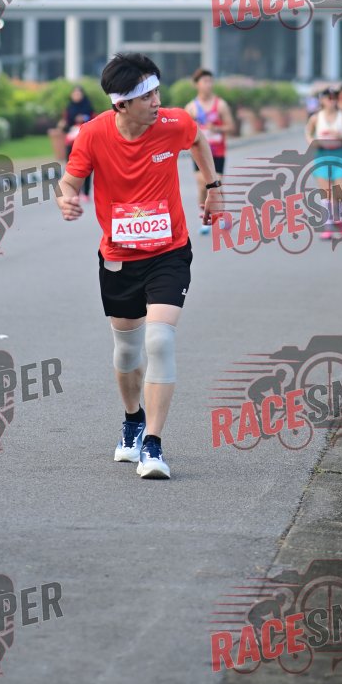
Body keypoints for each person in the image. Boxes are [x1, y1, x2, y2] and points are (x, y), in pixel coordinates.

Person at [56, 52, 223, 480]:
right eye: (147, 96)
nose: (157, 102)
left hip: (169, 252)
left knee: (160, 341)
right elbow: (70, 180)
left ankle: (153, 443)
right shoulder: (93, 134)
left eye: (157, 92)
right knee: (128, 350)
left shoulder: (173, 123)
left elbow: (199, 140)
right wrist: (67, 199)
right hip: (119, 258)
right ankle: (132, 419)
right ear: (122, 103)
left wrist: (213, 186)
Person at [184, 68, 236, 235]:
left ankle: (221, 215)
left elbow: (231, 126)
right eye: (204, 81)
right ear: (197, 84)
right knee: (202, 187)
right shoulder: (191, 107)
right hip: (199, 152)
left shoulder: (220, 105)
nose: (208, 84)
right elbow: (185, 131)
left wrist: (217, 129)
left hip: (217, 152)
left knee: (217, 184)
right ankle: (205, 218)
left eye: (210, 81)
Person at [305, 87, 342, 240]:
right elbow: (308, 133)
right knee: (326, 193)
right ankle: (328, 227)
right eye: (328, 98)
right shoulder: (316, 118)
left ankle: (338, 219)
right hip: (322, 155)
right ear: (322, 100)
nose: (331, 101)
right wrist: (313, 141)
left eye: (334, 98)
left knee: (339, 192)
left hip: (340, 155)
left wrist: (340, 135)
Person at [59, 85, 95, 199]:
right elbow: (65, 125)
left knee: (87, 166)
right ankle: (74, 191)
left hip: (85, 141)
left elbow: (94, 121)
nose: (76, 96)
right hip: (71, 142)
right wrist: (65, 126)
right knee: (72, 167)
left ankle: (86, 192)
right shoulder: (69, 108)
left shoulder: (88, 107)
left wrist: (83, 119)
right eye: (74, 94)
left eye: (78, 94)